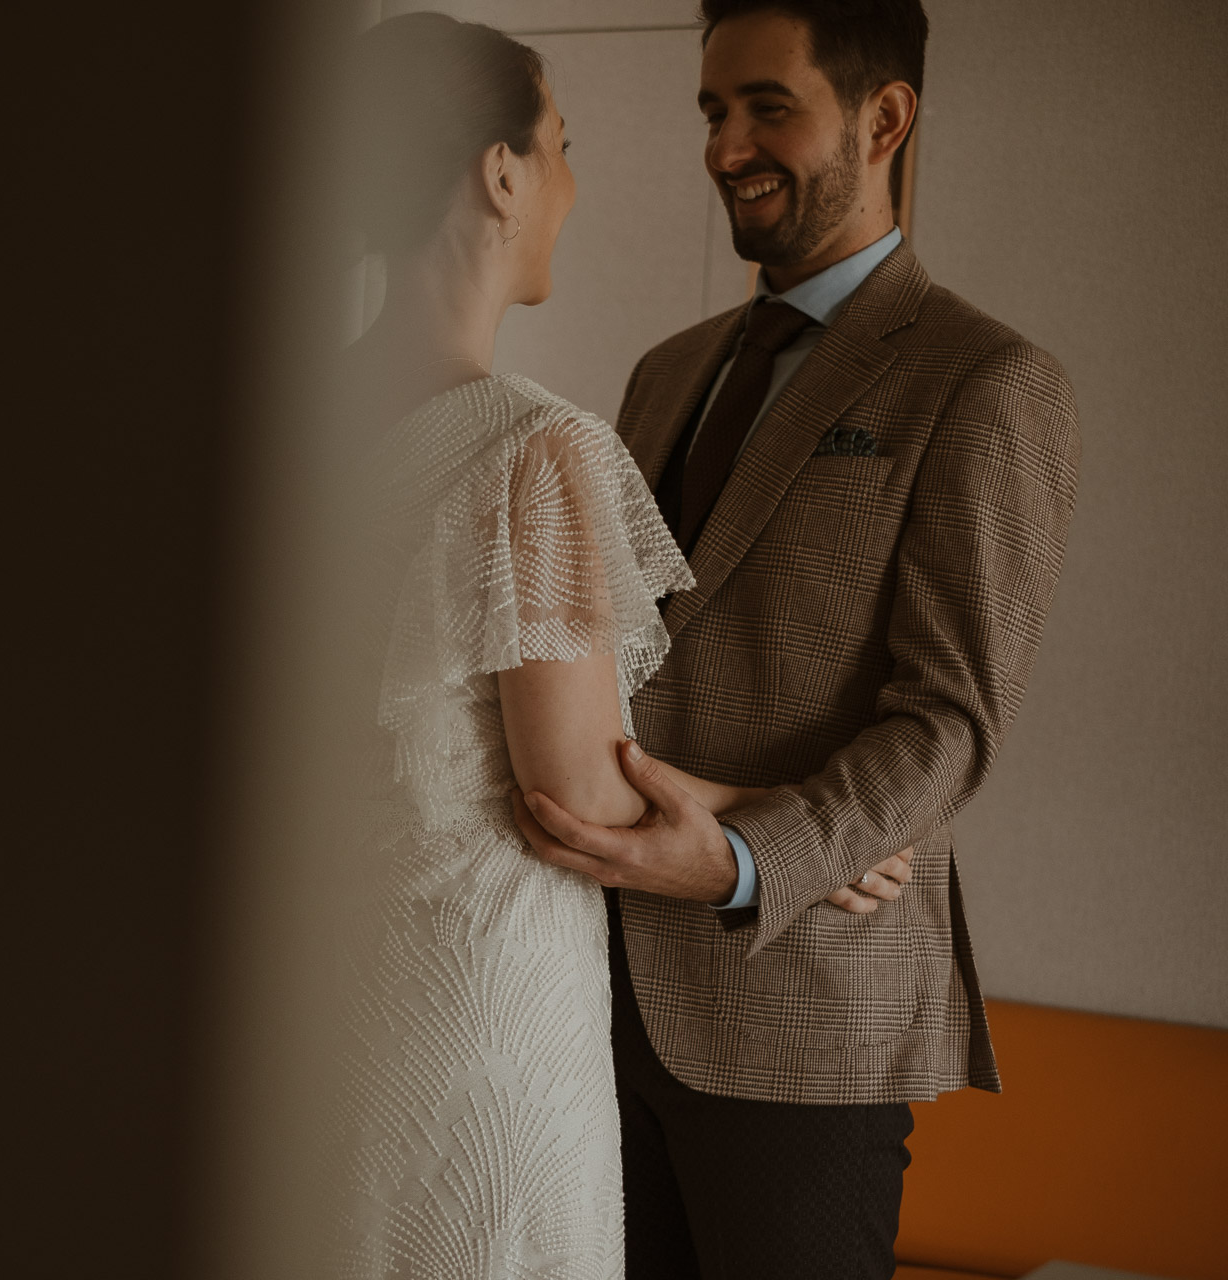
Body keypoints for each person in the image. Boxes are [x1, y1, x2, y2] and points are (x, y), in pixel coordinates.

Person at [504, 2, 1081, 1277]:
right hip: (588, 999)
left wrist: (749, 854)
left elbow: (949, 719)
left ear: (883, 119)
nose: (724, 145)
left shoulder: (981, 379)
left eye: (769, 106)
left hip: (803, 1018)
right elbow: (612, 651)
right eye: (713, 110)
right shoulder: (666, 371)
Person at [330, 13, 909, 1278]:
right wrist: (792, 821)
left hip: (321, 1004)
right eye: (562, 143)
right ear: (498, 172)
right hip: (474, 1023)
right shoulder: (527, 445)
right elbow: (575, 795)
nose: (568, 185)